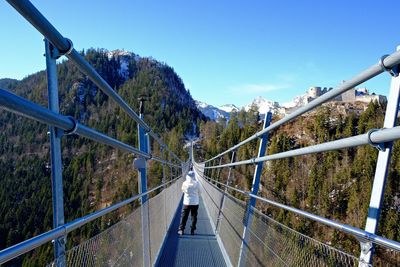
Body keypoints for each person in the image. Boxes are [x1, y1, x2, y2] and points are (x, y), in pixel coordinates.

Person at [178, 170, 200, 235]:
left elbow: (183, 190)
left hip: (187, 202)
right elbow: (200, 192)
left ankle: (181, 230)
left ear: (187, 176)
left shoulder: (185, 183)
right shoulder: (197, 183)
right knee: (194, 216)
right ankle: (192, 230)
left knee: (184, 216)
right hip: (195, 203)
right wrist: (195, 195)